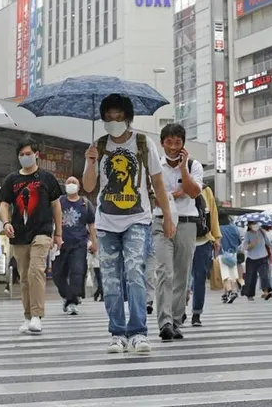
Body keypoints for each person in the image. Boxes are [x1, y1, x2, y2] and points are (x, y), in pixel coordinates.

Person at [81, 94, 175, 354]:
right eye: (109, 117)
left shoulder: (144, 143)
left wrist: (167, 216)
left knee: (134, 273)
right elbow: (88, 187)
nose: (114, 121)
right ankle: (117, 333)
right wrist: (90, 163)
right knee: (110, 280)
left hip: (137, 219)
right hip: (106, 222)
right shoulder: (98, 146)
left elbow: (157, 183)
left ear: (128, 118)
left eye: (119, 116)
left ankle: (137, 332)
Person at [0, 137, 63, 335]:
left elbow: (56, 205)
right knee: (24, 277)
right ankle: (27, 316)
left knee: (36, 271)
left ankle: (37, 315)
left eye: (28, 154)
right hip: (18, 234)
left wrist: (58, 233)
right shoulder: (11, 180)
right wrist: (6, 222)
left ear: (37, 155)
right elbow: (3, 204)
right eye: (22, 154)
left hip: (42, 232)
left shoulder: (46, 178)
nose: (25, 157)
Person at [153, 123, 202, 341]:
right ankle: (164, 322)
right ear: (162, 143)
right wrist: (170, 197)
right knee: (165, 271)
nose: (173, 146)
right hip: (161, 221)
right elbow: (152, 193)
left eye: (177, 142)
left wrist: (183, 167)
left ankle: (176, 321)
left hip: (187, 223)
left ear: (183, 144)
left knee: (182, 273)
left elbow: (192, 193)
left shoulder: (194, 165)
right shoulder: (155, 165)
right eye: (169, 142)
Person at [52, 175, 96, 316]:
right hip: (60, 244)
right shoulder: (59, 202)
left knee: (77, 272)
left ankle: (72, 302)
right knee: (58, 275)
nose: (71, 184)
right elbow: (50, 219)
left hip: (79, 244)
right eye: (68, 182)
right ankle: (68, 296)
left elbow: (91, 224)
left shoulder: (85, 203)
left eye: (74, 182)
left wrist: (94, 242)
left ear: (79, 186)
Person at [188, 184, 221, 326]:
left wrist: (216, 237)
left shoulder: (206, 190)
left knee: (199, 278)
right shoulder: (179, 186)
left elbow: (213, 213)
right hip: (183, 239)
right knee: (180, 278)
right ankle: (179, 310)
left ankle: (196, 313)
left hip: (203, 240)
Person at [240, 219, 269, 300]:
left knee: (264, 275)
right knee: (251, 277)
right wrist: (253, 243)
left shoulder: (261, 232)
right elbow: (245, 247)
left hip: (263, 256)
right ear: (249, 226)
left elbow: (268, 242)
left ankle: (266, 292)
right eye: (253, 224)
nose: (255, 225)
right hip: (251, 259)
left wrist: (265, 234)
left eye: (256, 223)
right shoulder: (247, 234)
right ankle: (250, 295)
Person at [218, 212, 242, 303]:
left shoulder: (219, 229)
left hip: (222, 254)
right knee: (232, 274)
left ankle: (230, 291)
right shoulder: (234, 228)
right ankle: (228, 294)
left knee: (225, 275)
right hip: (233, 253)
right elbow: (239, 241)